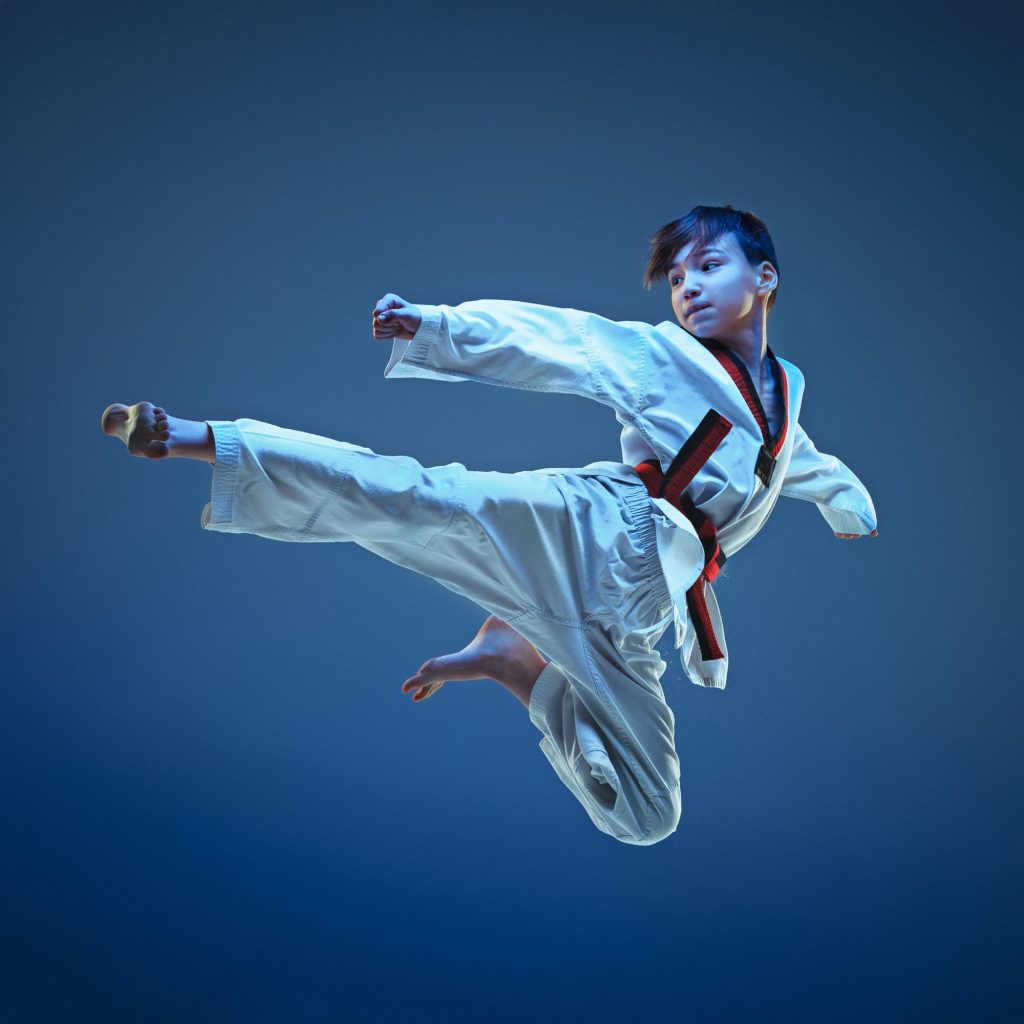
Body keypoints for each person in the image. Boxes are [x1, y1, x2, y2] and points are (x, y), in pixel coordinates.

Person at [100, 204, 877, 847]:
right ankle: (201, 438)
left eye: (709, 268)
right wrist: (436, 328)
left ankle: (515, 663)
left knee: (649, 816)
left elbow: (806, 465)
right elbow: (557, 341)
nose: (688, 290)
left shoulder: (784, 403)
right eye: (676, 279)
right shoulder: (663, 358)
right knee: (414, 501)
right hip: (599, 527)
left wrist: (850, 504)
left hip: (632, 614)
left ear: (763, 278)